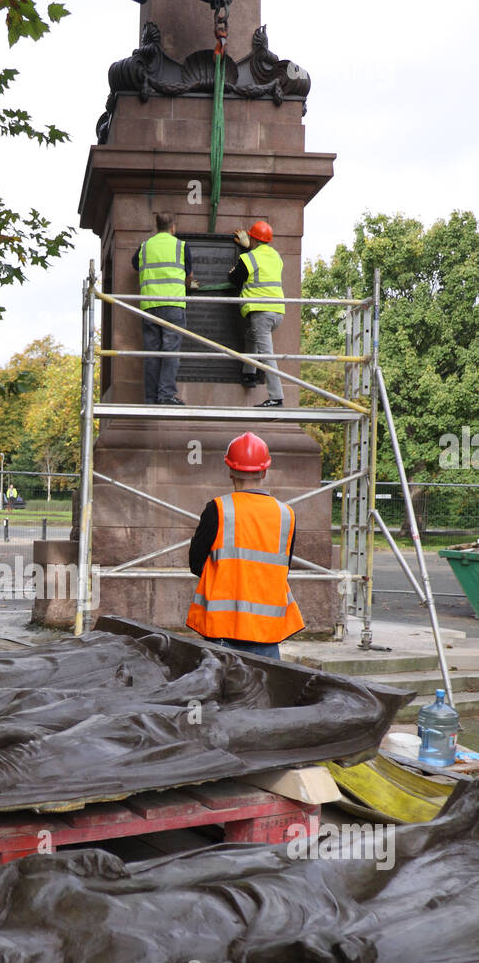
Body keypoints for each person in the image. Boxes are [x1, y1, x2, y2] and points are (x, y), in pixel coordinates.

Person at [186, 431, 304, 660]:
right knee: (264, 694)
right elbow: (283, 567)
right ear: (265, 471)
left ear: (230, 470)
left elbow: (195, 563)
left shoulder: (218, 509)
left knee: (222, 695)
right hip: (267, 634)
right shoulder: (286, 514)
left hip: (223, 631)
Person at [132, 211, 195, 406]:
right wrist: (187, 284)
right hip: (173, 305)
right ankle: (166, 396)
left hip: (150, 306)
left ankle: (151, 398)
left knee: (152, 353)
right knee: (170, 352)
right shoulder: (181, 246)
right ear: (173, 227)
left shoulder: (144, 247)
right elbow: (189, 275)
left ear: (156, 226)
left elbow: (135, 265)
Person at [228, 220, 286, 407]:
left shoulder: (249, 258)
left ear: (252, 238)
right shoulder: (276, 256)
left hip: (261, 312)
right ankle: (249, 374)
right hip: (277, 312)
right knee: (251, 337)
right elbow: (259, 267)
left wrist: (239, 261)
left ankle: (276, 398)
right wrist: (248, 249)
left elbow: (235, 278)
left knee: (267, 354)